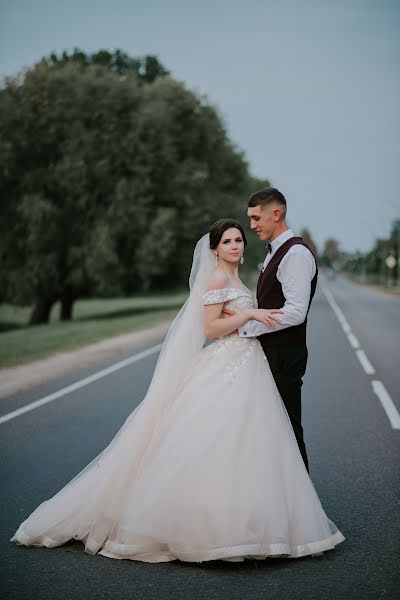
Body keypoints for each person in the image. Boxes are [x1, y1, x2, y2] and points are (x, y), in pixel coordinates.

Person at [10, 219, 344, 563]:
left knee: (247, 444)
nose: (235, 245)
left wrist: (256, 317)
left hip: (250, 364)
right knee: (214, 440)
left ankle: (247, 522)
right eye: (227, 241)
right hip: (227, 360)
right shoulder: (216, 278)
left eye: (238, 240)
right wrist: (249, 316)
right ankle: (203, 525)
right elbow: (211, 329)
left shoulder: (237, 279)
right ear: (214, 249)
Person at [234, 188, 317, 472]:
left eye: (256, 218)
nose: (252, 225)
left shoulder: (295, 254)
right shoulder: (275, 252)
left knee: (288, 432)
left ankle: (300, 509)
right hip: (273, 352)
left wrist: (244, 327)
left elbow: (295, 312)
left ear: (276, 214)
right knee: (270, 432)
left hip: (284, 355)